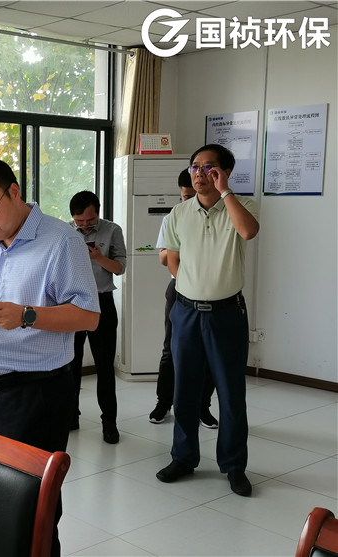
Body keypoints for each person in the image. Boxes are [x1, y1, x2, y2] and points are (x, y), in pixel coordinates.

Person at [0, 155, 100, 557]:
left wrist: (28, 315)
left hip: (36, 393)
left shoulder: (61, 241)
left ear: (13, 191)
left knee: (34, 506)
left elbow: (89, 316)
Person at [156, 144, 259, 497]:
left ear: (225, 172)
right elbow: (171, 257)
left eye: (209, 167)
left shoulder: (242, 205)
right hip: (186, 312)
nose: (200, 173)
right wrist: (189, 285)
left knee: (231, 393)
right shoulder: (179, 212)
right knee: (184, 389)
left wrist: (225, 191)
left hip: (227, 315)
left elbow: (248, 232)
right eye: (195, 167)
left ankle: (234, 465)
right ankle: (183, 458)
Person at [149, 169, 217, 428]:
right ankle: (163, 403)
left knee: (208, 351)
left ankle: (202, 407)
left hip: (212, 291)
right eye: (186, 196)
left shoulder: (217, 216)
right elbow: (163, 257)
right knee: (171, 349)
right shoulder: (174, 217)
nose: (190, 200)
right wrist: (177, 256)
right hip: (179, 289)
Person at [68, 191, 126, 443]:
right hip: (72, 304)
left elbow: (120, 268)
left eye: (89, 220)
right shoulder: (65, 232)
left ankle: (109, 422)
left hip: (102, 303)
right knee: (70, 365)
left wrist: (99, 257)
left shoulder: (112, 230)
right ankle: (71, 415)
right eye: (79, 221)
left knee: (104, 367)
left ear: (98, 213)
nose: (84, 225)